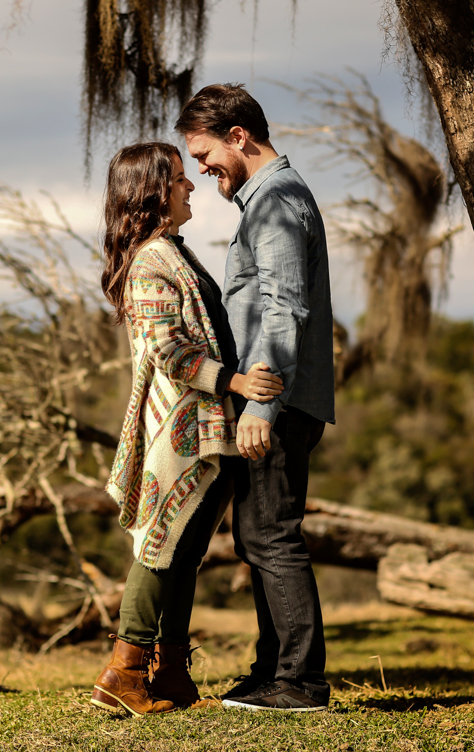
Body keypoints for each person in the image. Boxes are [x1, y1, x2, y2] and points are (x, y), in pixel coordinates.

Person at [90, 141, 285, 716]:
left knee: (186, 551)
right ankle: (122, 673)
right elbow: (167, 349)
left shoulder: (173, 253)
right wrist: (238, 383)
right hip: (180, 431)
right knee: (161, 546)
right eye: (179, 178)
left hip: (208, 429)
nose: (191, 185)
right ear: (152, 192)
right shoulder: (150, 262)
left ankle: (170, 671)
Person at [175, 83, 336, 713]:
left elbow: (284, 308)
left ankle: (300, 683)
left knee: (271, 536)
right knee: (257, 535)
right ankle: (273, 670)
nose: (201, 167)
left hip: (278, 400)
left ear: (238, 137)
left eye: (205, 153)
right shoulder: (269, 200)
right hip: (277, 398)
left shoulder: (276, 202)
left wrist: (261, 409)